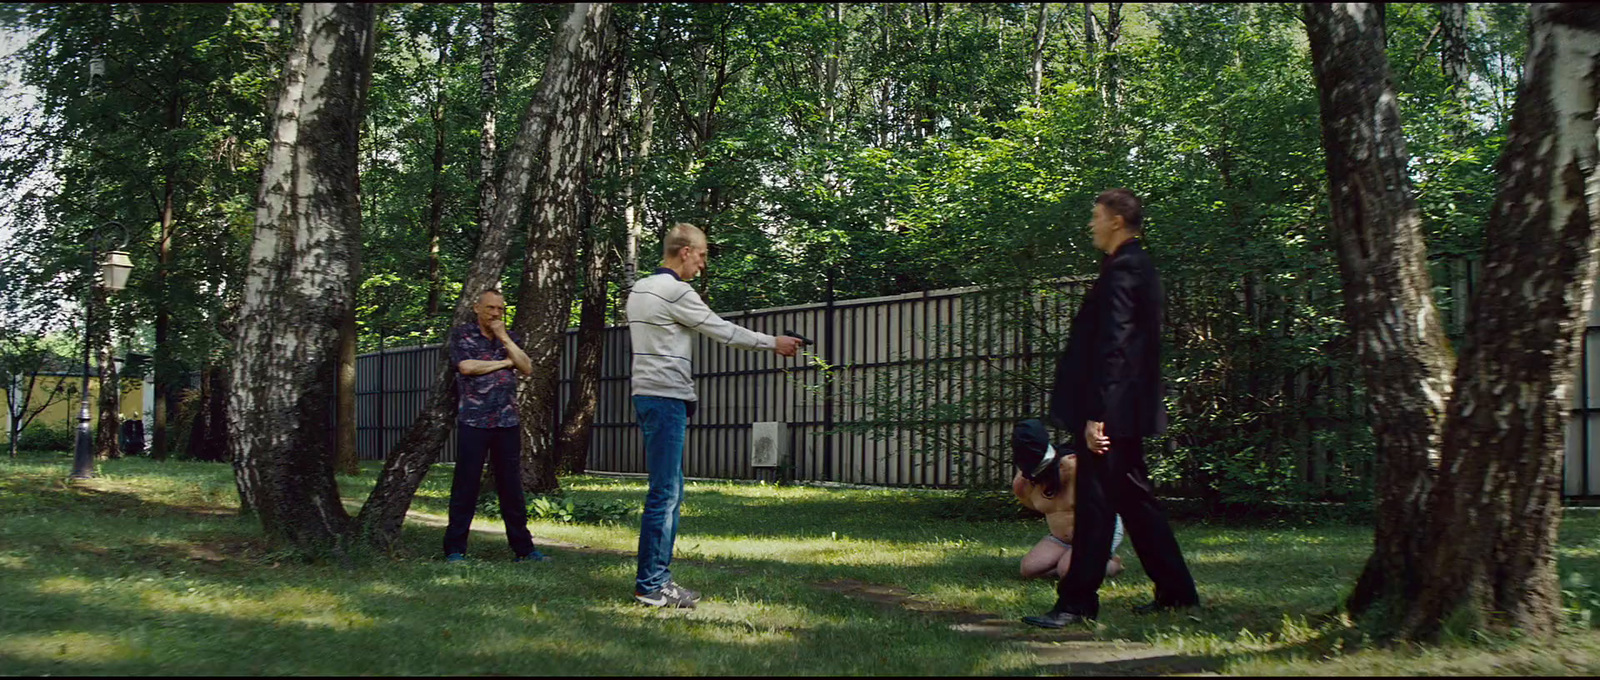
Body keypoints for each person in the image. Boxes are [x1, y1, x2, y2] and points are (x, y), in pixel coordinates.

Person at [1023, 189, 1200, 629]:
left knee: (1097, 506)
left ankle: (1076, 602)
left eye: (1096, 216)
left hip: (1111, 413)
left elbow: (1117, 349)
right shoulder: (1135, 267)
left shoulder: (1124, 270)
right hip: (1124, 410)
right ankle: (1177, 592)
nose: (1091, 224)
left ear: (1118, 220)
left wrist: (1097, 414)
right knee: (1137, 503)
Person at [626, 223, 803, 608]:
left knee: (668, 489)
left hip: (649, 396)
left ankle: (655, 581)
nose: (703, 265)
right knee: (665, 494)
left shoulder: (640, 289)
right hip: (666, 397)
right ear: (685, 251)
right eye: (702, 255)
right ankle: (652, 585)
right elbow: (720, 330)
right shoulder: (674, 290)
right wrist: (773, 343)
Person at [442, 289, 548, 564]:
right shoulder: (463, 335)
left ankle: (524, 549)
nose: (495, 314)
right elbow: (466, 367)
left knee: (511, 488)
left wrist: (503, 339)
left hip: (507, 422)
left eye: (500, 309)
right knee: (466, 485)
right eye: (490, 308)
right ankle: (455, 549)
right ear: (477, 308)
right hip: (474, 421)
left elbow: (526, 367)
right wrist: (503, 362)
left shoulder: (510, 338)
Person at [1010, 418, 1125, 581]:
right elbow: (1036, 504)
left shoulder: (1073, 465)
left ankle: (1112, 563)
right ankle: (1075, 559)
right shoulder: (1024, 482)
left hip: (1097, 530)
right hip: (1060, 538)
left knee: (1067, 571)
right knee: (1029, 569)